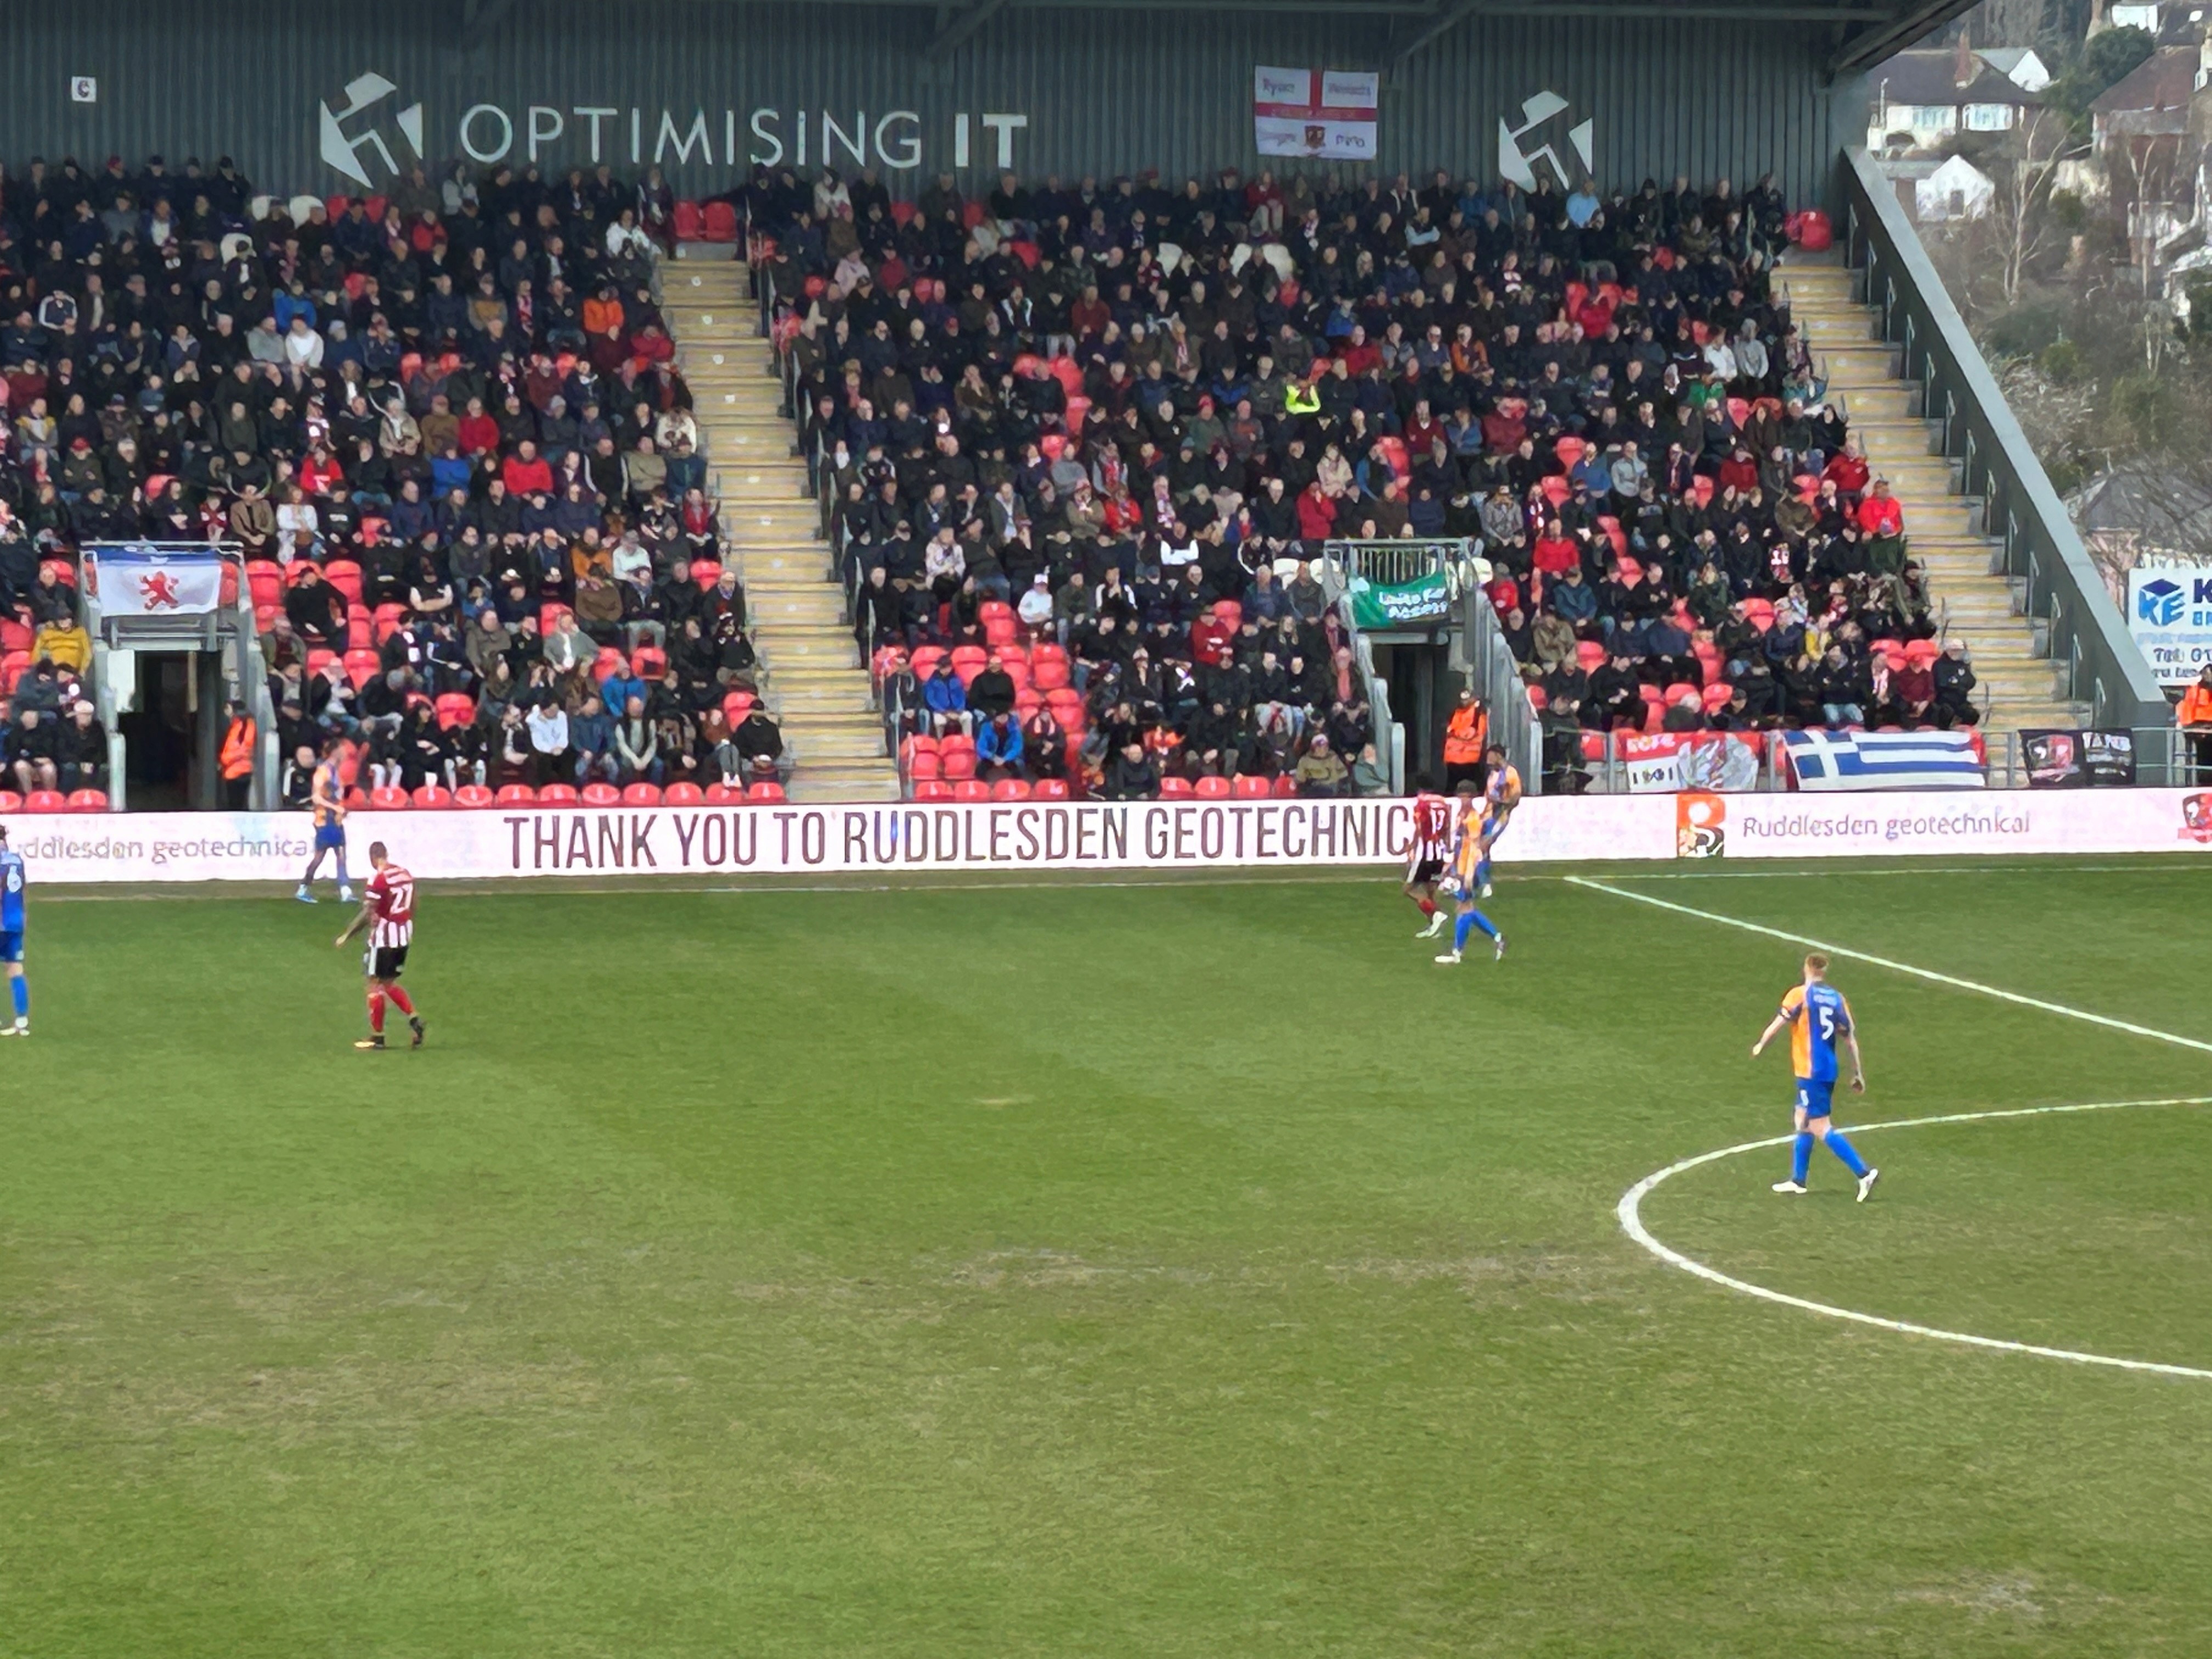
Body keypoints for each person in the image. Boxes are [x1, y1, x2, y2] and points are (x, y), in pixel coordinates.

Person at [1752, 952, 1878, 1201]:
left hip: (1810, 1071)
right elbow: (1850, 1039)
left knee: (1819, 1125)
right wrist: (1857, 1073)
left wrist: (1760, 1045)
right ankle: (1798, 1180)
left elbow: (1778, 1024)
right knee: (1802, 1118)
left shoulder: (1799, 995)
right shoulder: (1837, 999)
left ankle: (1863, 1174)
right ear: (1824, 971)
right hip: (1828, 1069)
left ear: (1807, 968)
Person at [334, 840, 425, 1052]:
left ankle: (378, 1038)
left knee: (374, 984)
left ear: (372, 857)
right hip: (403, 935)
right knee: (389, 983)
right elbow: (414, 904)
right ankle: (414, 1018)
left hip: (384, 938)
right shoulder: (404, 874)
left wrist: (347, 935)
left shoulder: (378, 878)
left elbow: (368, 912)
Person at [1432, 780, 1506, 967]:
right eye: (1461, 796)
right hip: (1460, 868)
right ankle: (1497, 938)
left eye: (1467, 796)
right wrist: (1449, 867)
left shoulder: (1473, 819)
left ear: (1472, 797)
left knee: (1464, 909)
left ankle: (1457, 953)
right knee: (1467, 908)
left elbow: (1474, 849)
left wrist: (1468, 875)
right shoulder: (1461, 815)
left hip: (1469, 870)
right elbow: (1459, 846)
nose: (1463, 799)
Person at [296, 737, 354, 903]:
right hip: (324, 819)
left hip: (335, 820)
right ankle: (303, 887)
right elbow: (316, 797)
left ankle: (345, 890)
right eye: (342, 750)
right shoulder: (323, 771)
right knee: (320, 856)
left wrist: (341, 809)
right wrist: (336, 808)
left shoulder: (337, 772)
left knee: (341, 853)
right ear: (335, 751)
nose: (345, 753)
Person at [1402, 774, 1453, 941]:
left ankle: (1437, 915)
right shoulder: (1443, 803)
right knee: (1431, 890)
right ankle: (1434, 928)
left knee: (1409, 889)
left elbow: (1419, 828)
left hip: (1425, 853)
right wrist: (1448, 848)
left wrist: (1412, 846)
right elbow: (1447, 827)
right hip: (1439, 852)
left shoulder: (1421, 803)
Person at [1474, 743, 1522, 900]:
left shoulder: (1510, 773)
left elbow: (1516, 798)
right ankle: (1477, 883)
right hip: (1487, 816)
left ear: (1498, 755)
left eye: (1491, 755)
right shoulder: (1493, 774)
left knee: (1484, 845)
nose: (1488, 758)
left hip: (1500, 816)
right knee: (1480, 848)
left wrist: (1501, 801)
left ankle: (1485, 884)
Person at [0, 823, 27, 1036]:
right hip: (16, 921)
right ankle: (21, 1021)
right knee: (16, 970)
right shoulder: (16, 860)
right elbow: (22, 890)